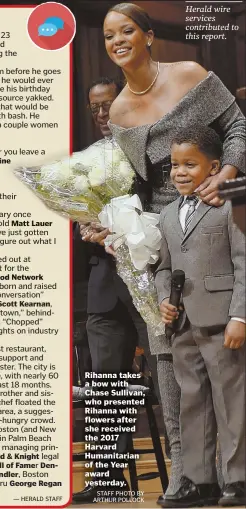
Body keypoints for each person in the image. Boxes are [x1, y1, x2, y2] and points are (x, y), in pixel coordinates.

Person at [101, 2, 246, 503]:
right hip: (164, 234)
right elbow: (136, 187)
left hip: (215, 208)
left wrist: (224, 178)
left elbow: (238, 130)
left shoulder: (188, 73)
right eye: (107, 36)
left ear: (147, 36)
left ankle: (235, 477)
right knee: (169, 356)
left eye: (126, 31)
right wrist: (111, 222)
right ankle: (187, 474)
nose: (117, 40)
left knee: (225, 367)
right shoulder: (119, 111)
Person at [73, 77, 162, 505]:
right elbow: (77, 210)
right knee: (106, 386)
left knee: (170, 381)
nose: (103, 114)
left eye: (108, 104)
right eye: (95, 108)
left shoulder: (152, 148)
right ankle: (108, 479)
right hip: (105, 285)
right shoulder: (87, 160)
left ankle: (194, 475)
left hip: (151, 281)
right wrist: (85, 226)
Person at [155, 126, 245, 507]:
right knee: (191, 401)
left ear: (214, 167)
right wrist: (164, 299)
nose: (179, 172)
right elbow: (162, 268)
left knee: (231, 399)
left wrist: (240, 316)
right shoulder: (167, 214)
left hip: (222, 320)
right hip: (183, 325)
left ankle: (238, 479)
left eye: (190, 164)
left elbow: (243, 261)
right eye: (175, 165)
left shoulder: (229, 204)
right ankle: (198, 480)